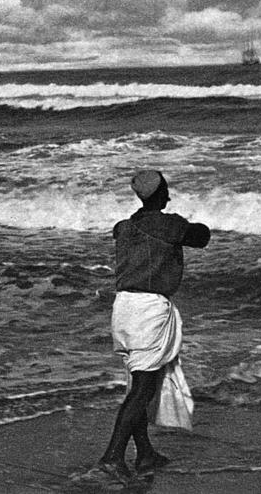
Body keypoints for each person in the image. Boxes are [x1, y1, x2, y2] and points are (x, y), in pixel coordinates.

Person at [98, 170, 210, 485]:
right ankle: (112, 456)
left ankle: (145, 452)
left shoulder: (123, 227)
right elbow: (202, 237)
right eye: (167, 192)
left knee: (139, 385)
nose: (169, 197)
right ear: (161, 194)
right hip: (148, 311)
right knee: (143, 390)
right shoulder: (168, 224)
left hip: (123, 308)